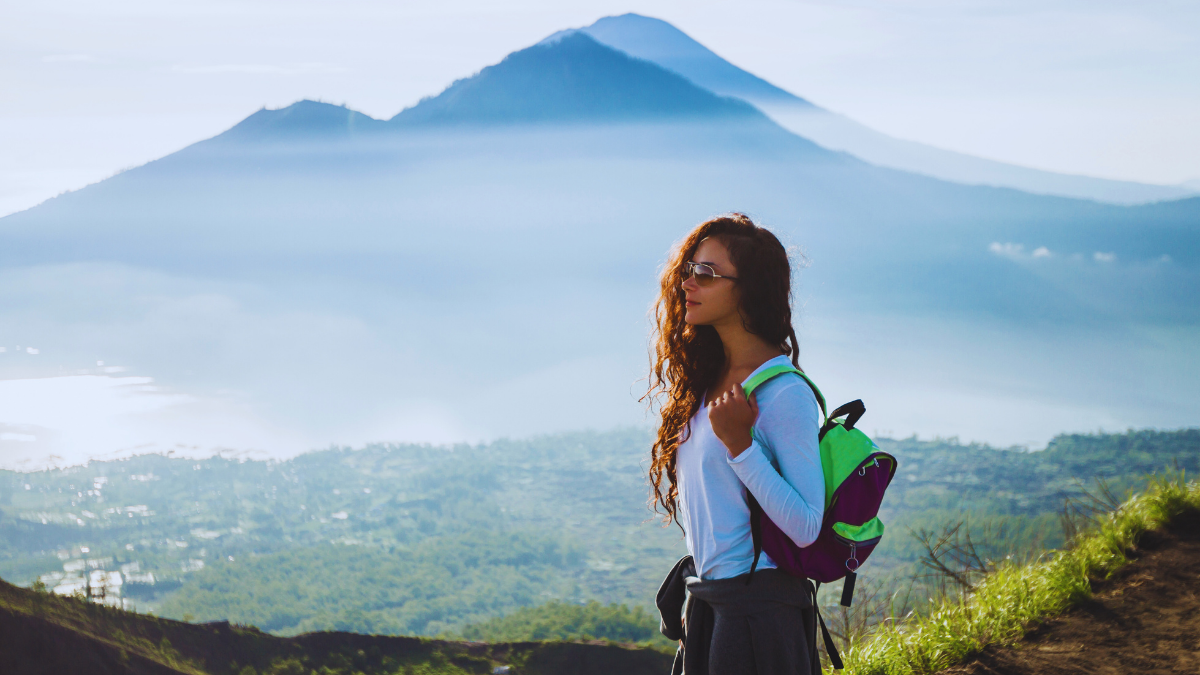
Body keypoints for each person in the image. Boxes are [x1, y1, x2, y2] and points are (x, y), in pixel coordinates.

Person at [647, 214, 825, 675]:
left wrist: (741, 447)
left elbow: (807, 525)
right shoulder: (707, 384)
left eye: (705, 273)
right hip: (716, 605)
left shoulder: (784, 394)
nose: (688, 282)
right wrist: (703, 589)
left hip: (760, 618)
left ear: (747, 289)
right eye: (688, 269)